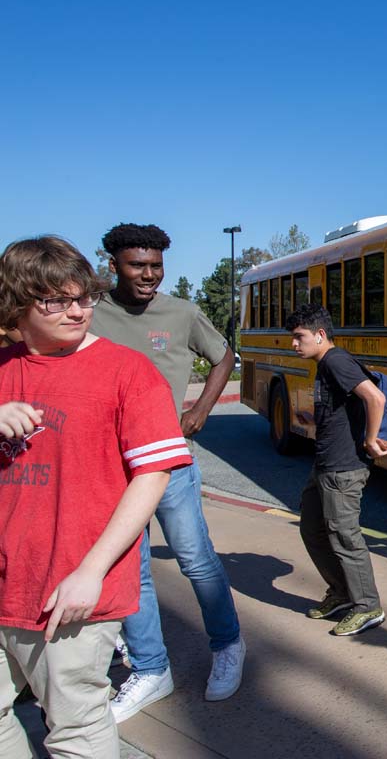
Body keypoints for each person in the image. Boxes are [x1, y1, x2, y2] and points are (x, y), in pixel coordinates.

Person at [0, 236, 189, 758]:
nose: (78, 310)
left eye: (83, 296)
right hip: (6, 579)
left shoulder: (128, 372)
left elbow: (151, 477)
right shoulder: (2, 368)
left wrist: (92, 571)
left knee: (76, 729)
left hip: (70, 590)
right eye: (56, 301)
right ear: (18, 303)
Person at [90, 223, 244, 721]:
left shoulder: (181, 313)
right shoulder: (91, 314)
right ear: (112, 263)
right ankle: (152, 668)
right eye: (138, 265)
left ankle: (228, 645)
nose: (149, 275)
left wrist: (200, 410)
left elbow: (224, 357)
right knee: (129, 569)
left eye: (156, 266)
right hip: (114, 468)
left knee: (196, 559)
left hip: (171, 462)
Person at [284, 303, 387, 636]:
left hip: (343, 469)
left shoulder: (335, 360)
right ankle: (342, 592)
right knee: (312, 528)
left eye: (299, 337)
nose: (294, 344)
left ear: (320, 334)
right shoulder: (325, 364)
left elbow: (375, 398)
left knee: (345, 537)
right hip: (325, 465)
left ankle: (367, 606)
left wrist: (371, 440)